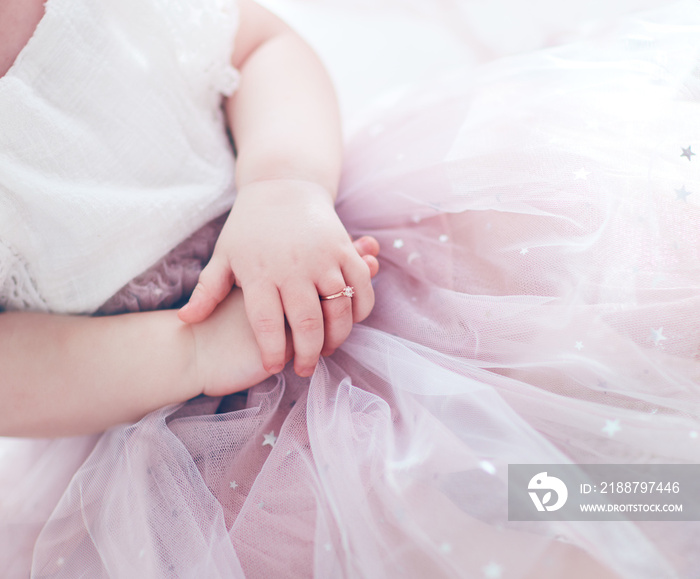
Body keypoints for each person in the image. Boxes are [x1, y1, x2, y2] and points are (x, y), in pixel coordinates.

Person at [0, 0, 699, 577]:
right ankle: (619, 534)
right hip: (155, 389)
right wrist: (192, 354)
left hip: (316, 221)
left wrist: (283, 184)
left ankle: (668, 496)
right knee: (411, 514)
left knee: (561, 282)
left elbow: (257, 46)